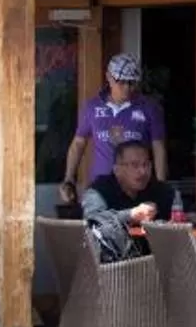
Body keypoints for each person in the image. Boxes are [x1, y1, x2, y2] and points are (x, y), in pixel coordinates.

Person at [61, 54, 167, 212]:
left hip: (136, 188)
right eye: (121, 82)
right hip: (101, 188)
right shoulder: (92, 107)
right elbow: (78, 143)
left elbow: (158, 147)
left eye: (131, 83)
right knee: (99, 229)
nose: (126, 87)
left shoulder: (149, 108)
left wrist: (160, 187)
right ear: (109, 78)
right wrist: (69, 178)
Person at [78, 138, 180, 262]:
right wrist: (131, 214)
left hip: (156, 264)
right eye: (135, 165)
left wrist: (194, 215)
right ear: (117, 170)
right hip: (112, 269)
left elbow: (180, 205)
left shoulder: (156, 188)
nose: (142, 171)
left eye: (146, 164)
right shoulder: (99, 190)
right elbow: (93, 220)